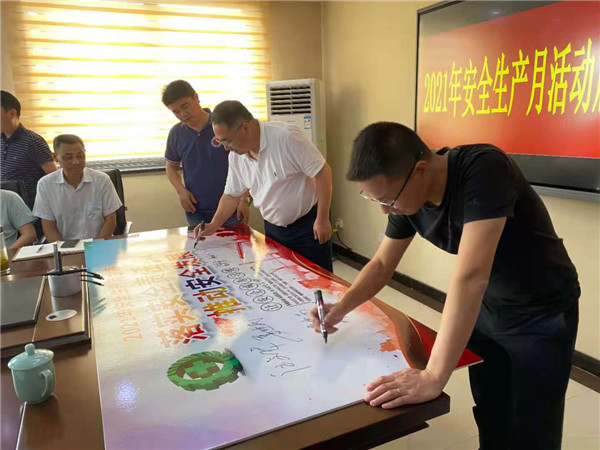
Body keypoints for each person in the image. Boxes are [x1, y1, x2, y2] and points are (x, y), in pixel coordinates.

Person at [310, 122, 579, 449]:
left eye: (388, 199)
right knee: (492, 407)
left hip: (541, 311)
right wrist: (339, 308)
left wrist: (433, 375)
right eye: (375, 199)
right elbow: (381, 265)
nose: (385, 209)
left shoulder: (485, 169)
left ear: (420, 170)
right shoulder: (407, 196)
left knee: (532, 425)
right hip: (488, 306)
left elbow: (471, 276)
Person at [197, 100, 334, 272]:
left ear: (245, 127)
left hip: (307, 227)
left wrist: (322, 218)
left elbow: (322, 172)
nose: (226, 148)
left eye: (227, 141)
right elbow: (231, 195)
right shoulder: (236, 156)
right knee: (283, 280)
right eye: (220, 143)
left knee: (317, 279)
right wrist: (214, 224)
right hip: (273, 229)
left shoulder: (286, 137)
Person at [161, 80, 248, 228]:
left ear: (196, 97)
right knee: (200, 243)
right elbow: (171, 167)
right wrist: (181, 191)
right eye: (176, 112)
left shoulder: (221, 124)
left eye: (185, 106)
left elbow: (245, 162)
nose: (183, 114)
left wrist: (243, 199)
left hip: (230, 208)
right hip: (196, 211)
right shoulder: (176, 133)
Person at [33, 134, 122, 242]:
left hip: (98, 244)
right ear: (55, 157)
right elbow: (48, 225)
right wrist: (62, 249)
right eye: (68, 157)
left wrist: (95, 247)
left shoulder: (102, 180)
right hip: (65, 246)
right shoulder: (45, 185)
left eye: (80, 156)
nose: (76, 162)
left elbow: (110, 220)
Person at [1, 90, 57, 209]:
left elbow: (55, 178)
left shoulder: (33, 141)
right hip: (5, 208)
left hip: (29, 210)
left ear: (12, 114)